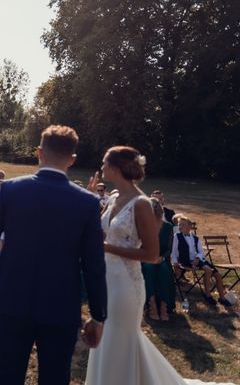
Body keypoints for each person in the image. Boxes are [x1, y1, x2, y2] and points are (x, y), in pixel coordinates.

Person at [0, 125, 107, 385]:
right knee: (55, 377)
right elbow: (94, 265)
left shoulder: (12, 189)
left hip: (13, 297)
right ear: (72, 160)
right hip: (61, 302)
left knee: (7, 376)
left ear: (39, 153)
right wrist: (98, 315)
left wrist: (5, 269)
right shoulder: (87, 202)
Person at [85, 146, 221, 384]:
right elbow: (98, 230)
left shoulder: (141, 204)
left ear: (117, 168)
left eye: (105, 163)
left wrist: (106, 247)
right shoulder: (114, 197)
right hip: (106, 279)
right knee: (105, 338)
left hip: (126, 285)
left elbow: (151, 253)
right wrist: (89, 200)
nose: (102, 167)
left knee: (121, 340)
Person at [171, 215, 231, 307]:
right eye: (179, 224)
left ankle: (222, 298)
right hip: (186, 261)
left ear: (189, 226)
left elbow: (201, 252)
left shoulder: (195, 238)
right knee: (208, 270)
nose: (180, 226)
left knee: (218, 275)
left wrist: (198, 258)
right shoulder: (177, 236)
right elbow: (174, 251)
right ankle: (207, 295)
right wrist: (175, 262)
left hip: (198, 260)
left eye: (182, 224)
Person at [141, 197, 176, 320]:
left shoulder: (168, 227)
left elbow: (169, 248)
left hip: (162, 258)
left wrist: (162, 257)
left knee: (164, 270)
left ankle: (164, 306)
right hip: (146, 258)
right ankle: (152, 305)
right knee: (149, 269)